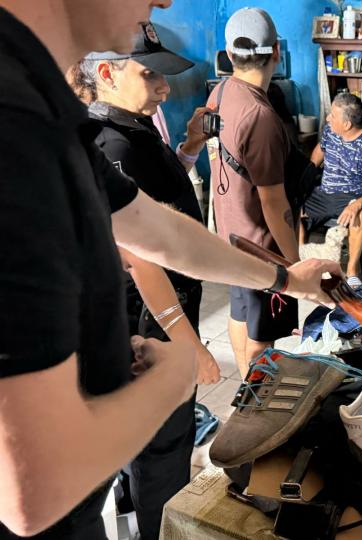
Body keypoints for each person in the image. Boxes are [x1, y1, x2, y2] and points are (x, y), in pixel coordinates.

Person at [0, 1, 339, 538]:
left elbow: (158, 232)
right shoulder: (15, 124)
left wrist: (286, 278)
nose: (161, 2)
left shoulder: (49, 112)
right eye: (149, 73)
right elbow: (32, 490)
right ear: (107, 73)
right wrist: (177, 371)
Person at [72, 24, 221, 539]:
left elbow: (158, 203)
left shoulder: (133, 127)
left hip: (162, 311)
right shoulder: (111, 142)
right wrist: (190, 345)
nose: (164, 89)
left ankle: (138, 520)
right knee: (163, 453)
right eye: (149, 75)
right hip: (150, 322)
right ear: (107, 74)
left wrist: (189, 148)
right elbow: (141, 259)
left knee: (146, 449)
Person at [207, 7, 300, 377]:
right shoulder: (261, 117)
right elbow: (273, 203)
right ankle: (256, 398)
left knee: (240, 314)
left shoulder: (220, 92)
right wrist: (294, 264)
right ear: (276, 51)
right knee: (261, 336)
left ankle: (245, 389)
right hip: (261, 248)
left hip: (230, 236)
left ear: (229, 55)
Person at [303, 93, 362, 286]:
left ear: (347, 124)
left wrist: (356, 204)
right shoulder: (331, 131)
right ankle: (299, 263)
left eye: (333, 115)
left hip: (349, 197)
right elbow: (320, 150)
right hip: (323, 193)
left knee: (359, 215)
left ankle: (352, 271)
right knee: (292, 207)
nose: (328, 118)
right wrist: (308, 173)